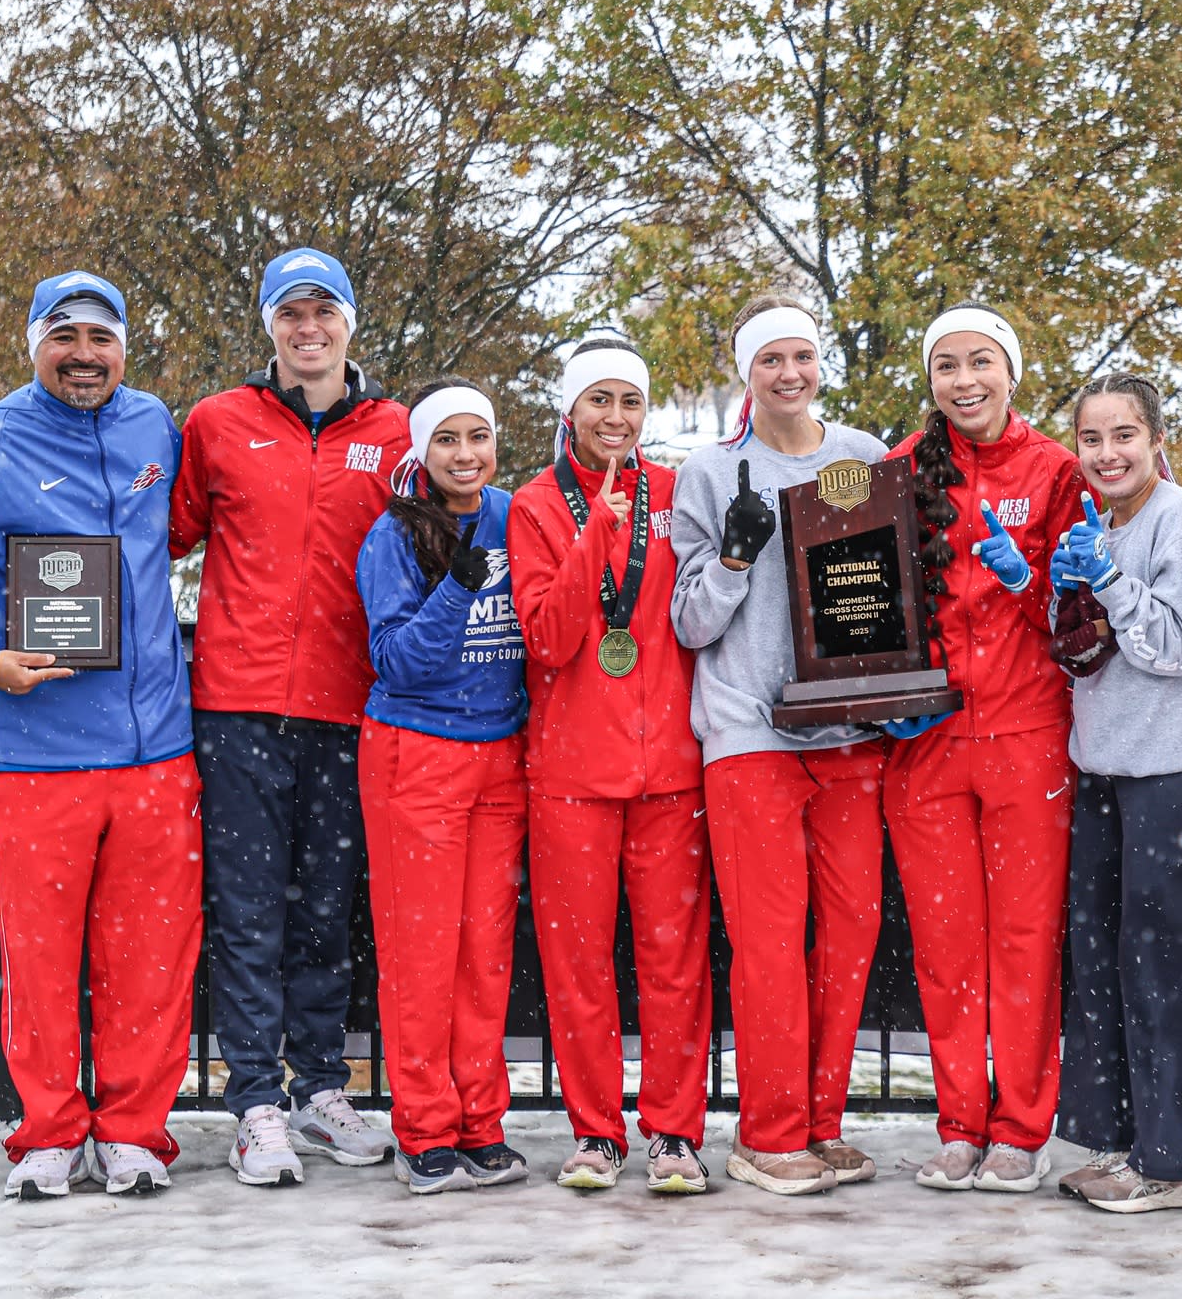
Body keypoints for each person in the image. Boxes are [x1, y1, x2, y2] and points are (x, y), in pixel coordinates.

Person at [0, 271, 201, 1199]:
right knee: (39, 958)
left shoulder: (159, 428)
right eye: (63, 336)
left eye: (100, 338)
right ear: (35, 344)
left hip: (156, 750)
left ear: (123, 349)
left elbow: (181, 538)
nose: (83, 355)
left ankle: (136, 1133)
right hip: (33, 752)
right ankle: (46, 1132)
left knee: (149, 958)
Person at [172, 248, 410, 1185]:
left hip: (353, 708)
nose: (308, 330)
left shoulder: (394, 429)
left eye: (324, 313)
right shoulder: (218, 423)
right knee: (246, 911)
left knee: (326, 910)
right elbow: (159, 533)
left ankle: (318, 1088)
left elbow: (442, 534)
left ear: (350, 323)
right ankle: (254, 1103)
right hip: (237, 705)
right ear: (269, 324)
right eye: (290, 314)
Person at [669, 297, 890, 1196]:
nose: (789, 374)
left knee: (851, 931)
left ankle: (820, 1119)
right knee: (766, 938)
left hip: (848, 728)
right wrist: (729, 561)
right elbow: (687, 624)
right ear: (746, 372)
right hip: (749, 728)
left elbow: (894, 592)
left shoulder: (865, 459)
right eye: (770, 361)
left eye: (801, 356)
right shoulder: (709, 474)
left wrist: (891, 680)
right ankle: (766, 1132)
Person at [883, 304, 1082, 1193]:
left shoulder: (1057, 471)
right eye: (946, 368)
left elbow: (1083, 622)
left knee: (1026, 939)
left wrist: (1027, 580)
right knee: (945, 942)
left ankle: (1021, 1127)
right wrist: (874, 686)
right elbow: (860, 606)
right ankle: (960, 1121)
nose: (963, 382)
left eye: (980, 364)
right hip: (923, 742)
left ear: (1010, 372)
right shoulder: (894, 472)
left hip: (1026, 735)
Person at [508, 332, 712, 1195]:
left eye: (630, 402)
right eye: (600, 401)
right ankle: (596, 1131)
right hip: (571, 771)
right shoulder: (534, 506)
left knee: (674, 961)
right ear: (571, 411)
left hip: (669, 764)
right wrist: (595, 534)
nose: (616, 418)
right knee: (578, 962)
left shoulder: (675, 492)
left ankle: (672, 1132)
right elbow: (548, 639)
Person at [1045, 373, 1182, 1213]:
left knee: (1160, 970)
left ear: (1156, 440)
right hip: (1104, 766)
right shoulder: (1101, 519)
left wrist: (1108, 587)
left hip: (1167, 772)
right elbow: (1084, 647)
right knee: (1101, 965)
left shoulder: (1178, 517)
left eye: (1123, 436)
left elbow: (1178, 646)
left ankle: (1177, 1159)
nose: (1106, 453)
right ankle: (1120, 1142)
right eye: (1090, 438)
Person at [354, 379, 530, 1195]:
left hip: (500, 751)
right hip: (417, 751)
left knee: (484, 953)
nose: (465, 455)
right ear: (421, 452)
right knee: (421, 952)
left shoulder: (513, 515)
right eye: (447, 440)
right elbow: (397, 660)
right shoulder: (393, 536)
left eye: (478, 438)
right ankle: (424, 1128)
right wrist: (457, 588)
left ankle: (480, 1121)